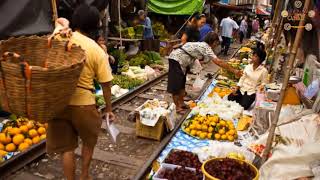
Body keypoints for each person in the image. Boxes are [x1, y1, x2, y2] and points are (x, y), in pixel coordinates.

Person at [47, 4, 115, 180]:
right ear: (93, 25)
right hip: (84, 105)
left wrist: (63, 25)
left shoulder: (59, 38)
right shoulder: (95, 49)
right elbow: (106, 84)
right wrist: (108, 109)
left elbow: (59, 21)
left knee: (67, 148)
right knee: (89, 141)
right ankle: (84, 175)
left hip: (59, 102)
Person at [168, 32, 237, 113]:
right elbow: (219, 62)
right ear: (214, 42)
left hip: (183, 62)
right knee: (176, 85)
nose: (216, 45)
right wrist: (234, 70)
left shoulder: (202, 45)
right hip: (176, 60)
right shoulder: (205, 47)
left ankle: (182, 103)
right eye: (217, 43)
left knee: (182, 83)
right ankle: (178, 107)